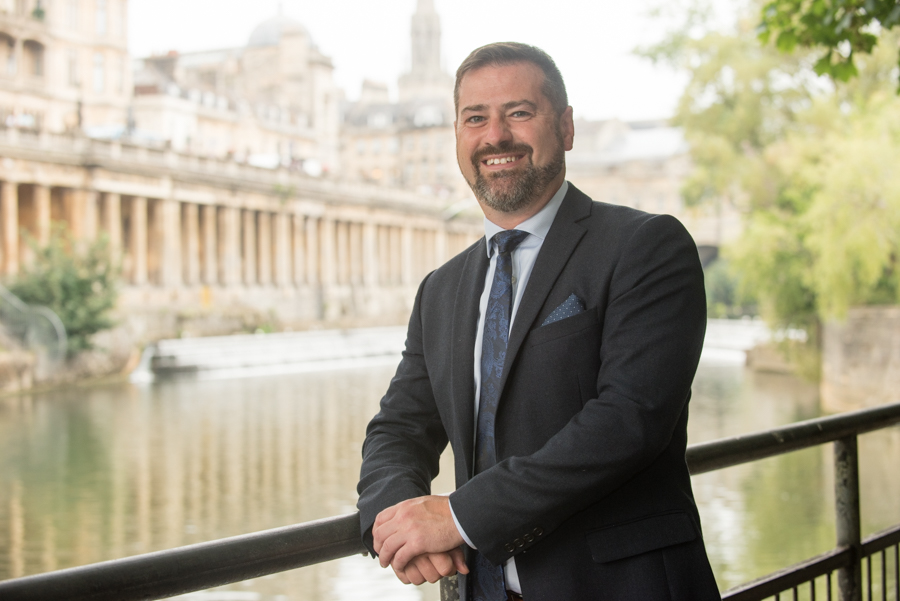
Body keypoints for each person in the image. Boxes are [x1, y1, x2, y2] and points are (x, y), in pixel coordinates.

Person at [357, 41, 721, 601]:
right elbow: (399, 427)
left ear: (566, 128)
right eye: (475, 118)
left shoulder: (646, 246)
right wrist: (395, 518)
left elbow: (629, 420)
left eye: (519, 112)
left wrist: (458, 517)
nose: (495, 136)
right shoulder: (440, 289)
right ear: (457, 136)